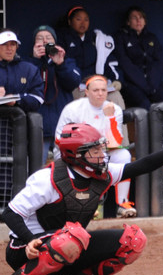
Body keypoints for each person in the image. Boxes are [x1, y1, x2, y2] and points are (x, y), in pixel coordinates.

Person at [1, 121, 163, 275]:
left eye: (101, 148)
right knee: (71, 237)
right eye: (94, 150)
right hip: (25, 250)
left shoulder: (102, 173)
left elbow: (142, 166)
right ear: (75, 154)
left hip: (69, 245)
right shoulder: (47, 179)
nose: (102, 155)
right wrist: (29, 240)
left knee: (133, 240)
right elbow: (10, 212)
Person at [54, 75, 135, 218]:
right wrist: (85, 150)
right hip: (73, 152)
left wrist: (110, 119)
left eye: (103, 90)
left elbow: (116, 142)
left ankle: (122, 203)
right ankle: (88, 204)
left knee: (124, 155)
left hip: (102, 151)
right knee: (93, 158)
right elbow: (59, 138)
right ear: (87, 92)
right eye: (96, 90)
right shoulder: (73, 109)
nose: (100, 93)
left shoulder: (114, 109)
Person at [29, 25, 81, 162]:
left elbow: (74, 82)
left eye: (48, 38)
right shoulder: (28, 64)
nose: (44, 42)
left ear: (55, 42)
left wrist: (61, 64)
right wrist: (35, 60)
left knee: (66, 168)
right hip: (39, 127)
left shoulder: (66, 61)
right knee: (36, 168)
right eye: (40, 38)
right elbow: (25, 85)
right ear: (34, 43)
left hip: (62, 125)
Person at [57, 5, 125, 109]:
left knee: (115, 96)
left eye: (86, 20)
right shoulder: (62, 38)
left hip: (97, 82)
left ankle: (119, 125)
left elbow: (108, 61)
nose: (83, 23)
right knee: (83, 103)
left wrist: (117, 79)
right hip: (76, 85)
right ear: (70, 22)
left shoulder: (96, 38)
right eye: (78, 19)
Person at [113, 6, 163, 108]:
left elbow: (159, 62)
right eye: (134, 18)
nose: (138, 20)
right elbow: (125, 64)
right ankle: (150, 125)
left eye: (141, 17)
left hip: (153, 84)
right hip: (132, 84)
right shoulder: (121, 37)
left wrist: (153, 84)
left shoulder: (152, 37)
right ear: (128, 22)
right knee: (145, 105)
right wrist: (143, 85)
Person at [0, 29, 44, 114]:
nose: (9, 48)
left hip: (20, 124)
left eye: (12, 44)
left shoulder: (30, 69)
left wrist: (17, 99)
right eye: (4, 44)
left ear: (17, 46)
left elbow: (38, 99)